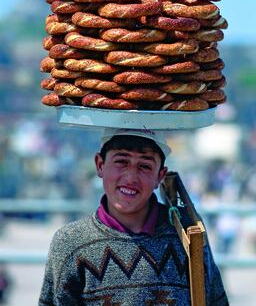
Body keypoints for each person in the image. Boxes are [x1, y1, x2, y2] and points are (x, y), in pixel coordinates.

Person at [38, 127, 228, 305]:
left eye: (144, 166)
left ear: (160, 176)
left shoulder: (187, 235)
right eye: (121, 161)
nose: (130, 178)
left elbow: (214, 299)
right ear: (100, 165)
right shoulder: (71, 242)